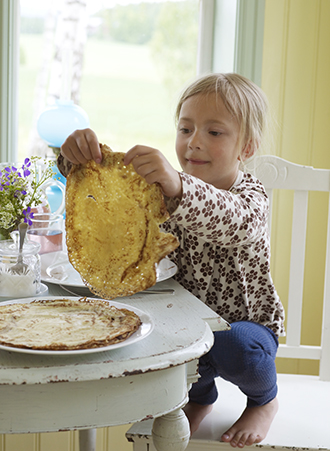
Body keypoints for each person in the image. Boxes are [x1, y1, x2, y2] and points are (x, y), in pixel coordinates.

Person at [60, 73, 285, 448]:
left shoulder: (250, 195)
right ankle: (199, 397)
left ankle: (265, 399)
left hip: (245, 329)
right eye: (185, 128)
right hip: (185, 330)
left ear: (246, 147)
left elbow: (230, 220)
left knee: (239, 347)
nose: (193, 142)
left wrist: (178, 187)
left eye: (215, 132)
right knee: (149, 337)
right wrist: (75, 159)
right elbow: (112, 192)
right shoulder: (165, 188)